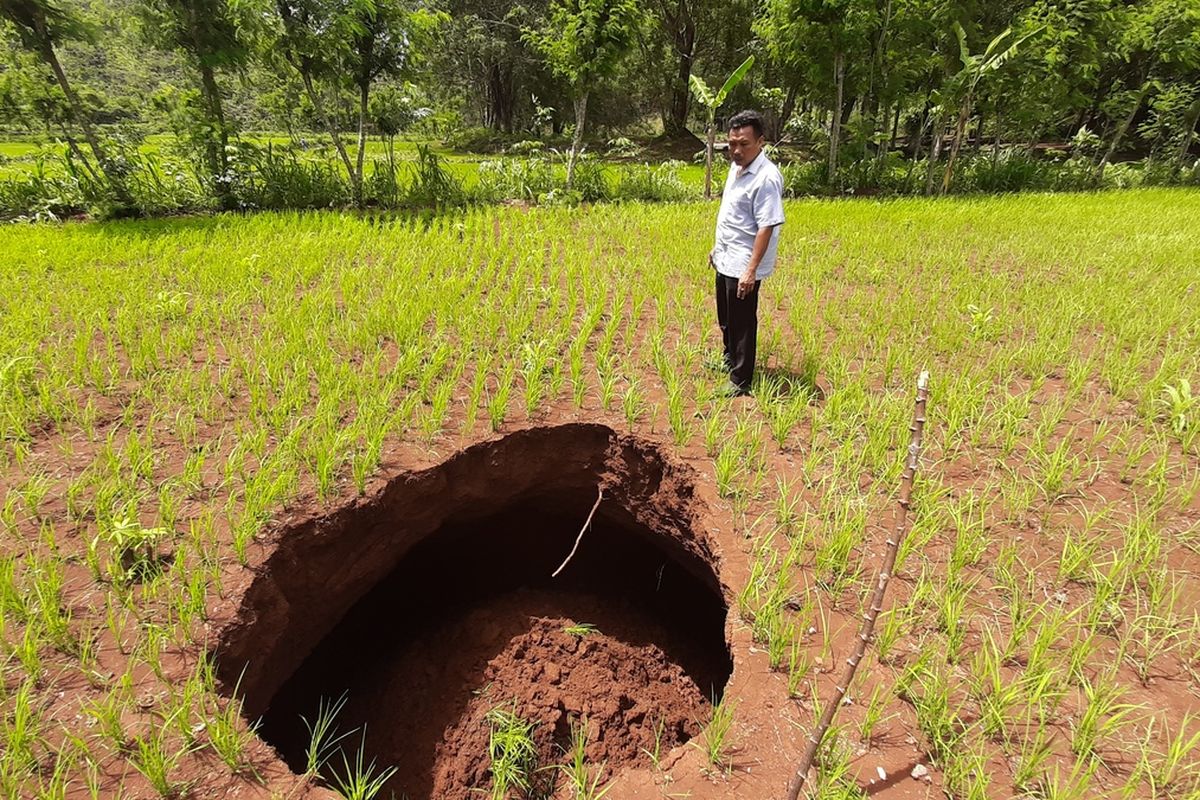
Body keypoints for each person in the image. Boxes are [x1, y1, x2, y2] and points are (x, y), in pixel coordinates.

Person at [708, 109, 785, 397]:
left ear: (761, 142)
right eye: (732, 144)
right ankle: (729, 359)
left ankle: (741, 379)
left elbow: (766, 226)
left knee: (742, 320)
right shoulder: (736, 168)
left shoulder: (766, 178)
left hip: (744, 261)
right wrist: (717, 248)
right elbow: (732, 215)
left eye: (744, 144)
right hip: (727, 256)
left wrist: (751, 270)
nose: (736, 150)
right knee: (726, 315)